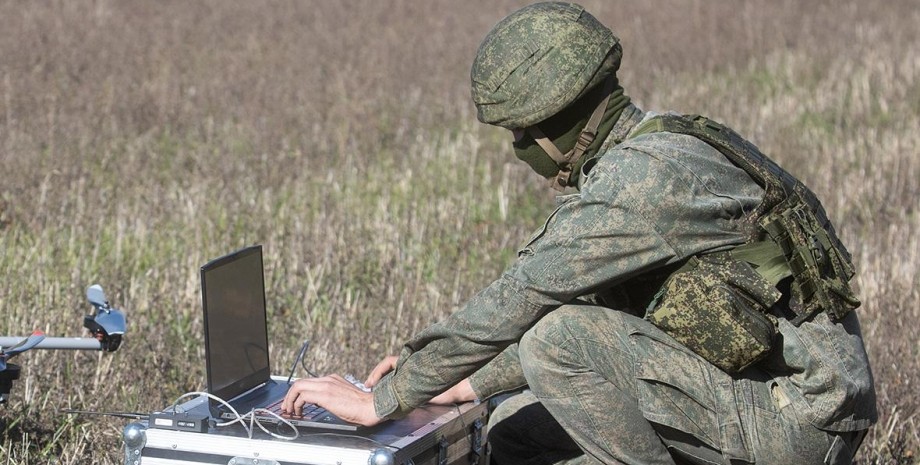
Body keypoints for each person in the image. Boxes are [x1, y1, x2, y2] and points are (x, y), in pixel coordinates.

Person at [282, 2, 877, 464]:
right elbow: (608, 309)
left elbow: (523, 297)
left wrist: (382, 400)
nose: (518, 150)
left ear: (561, 126)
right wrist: (464, 386)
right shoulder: (661, 143)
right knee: (514, 429)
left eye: (521, 134)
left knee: (556, 342)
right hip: (770, 392)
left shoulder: (640, 184)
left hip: (798, 419)